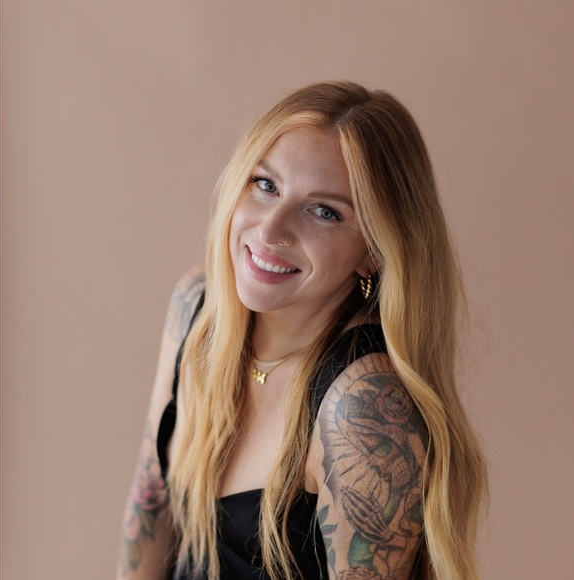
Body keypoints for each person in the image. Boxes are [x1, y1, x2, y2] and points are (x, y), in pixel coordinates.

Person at [117, 81, 487, 580]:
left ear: (373, 252)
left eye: (324, 211)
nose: (271, 230)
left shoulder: (361, 407)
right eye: (265, 185)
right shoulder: (197, 306)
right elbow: (150, 502)